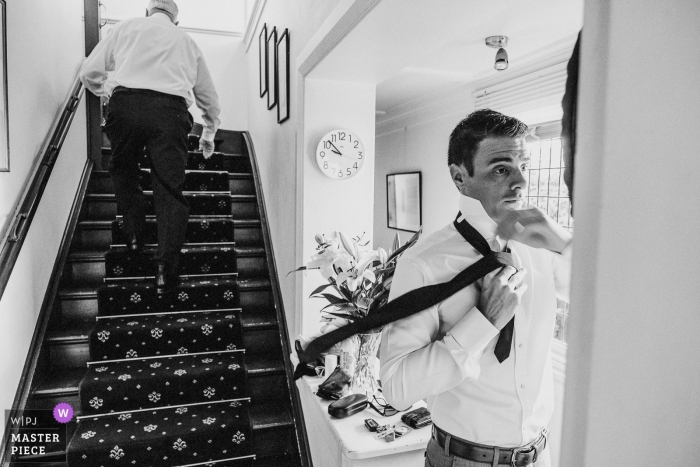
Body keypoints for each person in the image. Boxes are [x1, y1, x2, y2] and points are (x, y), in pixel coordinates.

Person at [379, 109, 571, 467]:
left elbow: (606, 295)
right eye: (501, 169)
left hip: (540, 457)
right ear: (459, 176)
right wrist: (483, 321)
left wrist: (564, 243)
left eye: (524, 165)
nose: (521, 183)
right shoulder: (424, 264)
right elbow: (396, 388)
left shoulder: (542, 243)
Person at [79, 0, 221, 294]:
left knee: (123, 168)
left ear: (147, 12)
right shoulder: (187, 41)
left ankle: (134, 236)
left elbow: (89, 72)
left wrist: (109, 93)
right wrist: (208, 133)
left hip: (126, 105)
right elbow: (209, 96)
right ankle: (165, 269)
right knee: (169, 188)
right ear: (176, 20)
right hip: (170, 113)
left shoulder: (126, 27)